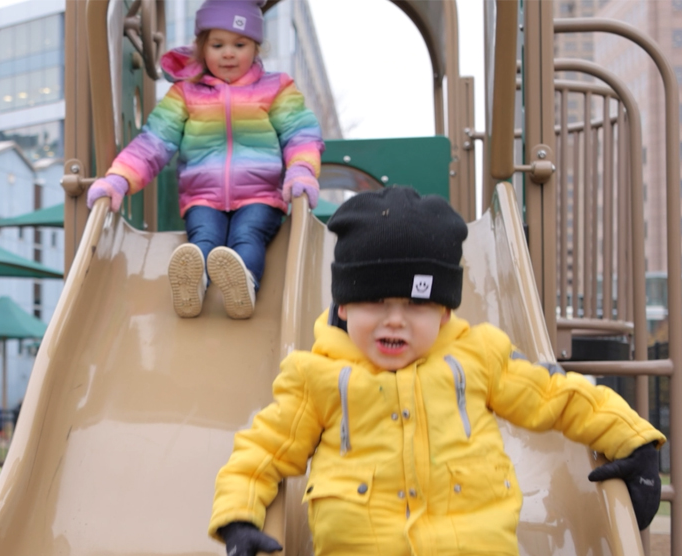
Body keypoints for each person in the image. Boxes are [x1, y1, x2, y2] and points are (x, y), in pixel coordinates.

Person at [207, 187, 665, 556]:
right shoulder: (317, 376)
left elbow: (556, 396)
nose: (394, 319)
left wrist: (632, 438)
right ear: (343, 305)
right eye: (375, 302)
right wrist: (239, 516)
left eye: (416, 304)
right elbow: (263, 449)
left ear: (445, 312)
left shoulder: (477, 357)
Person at [87, 0, 323, 320]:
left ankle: (244, 286)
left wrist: (301, 170)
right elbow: (154, 142)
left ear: (256, 47)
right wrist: (119, 178)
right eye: (217, 44)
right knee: (204, 238)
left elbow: (300, 133)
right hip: (202, 197)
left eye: (240, 44)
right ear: (201, 48)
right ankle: (193, 285)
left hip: (260, 195)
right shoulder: (186, 94)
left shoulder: (275, 88)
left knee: (247, 234)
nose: (228, 53)